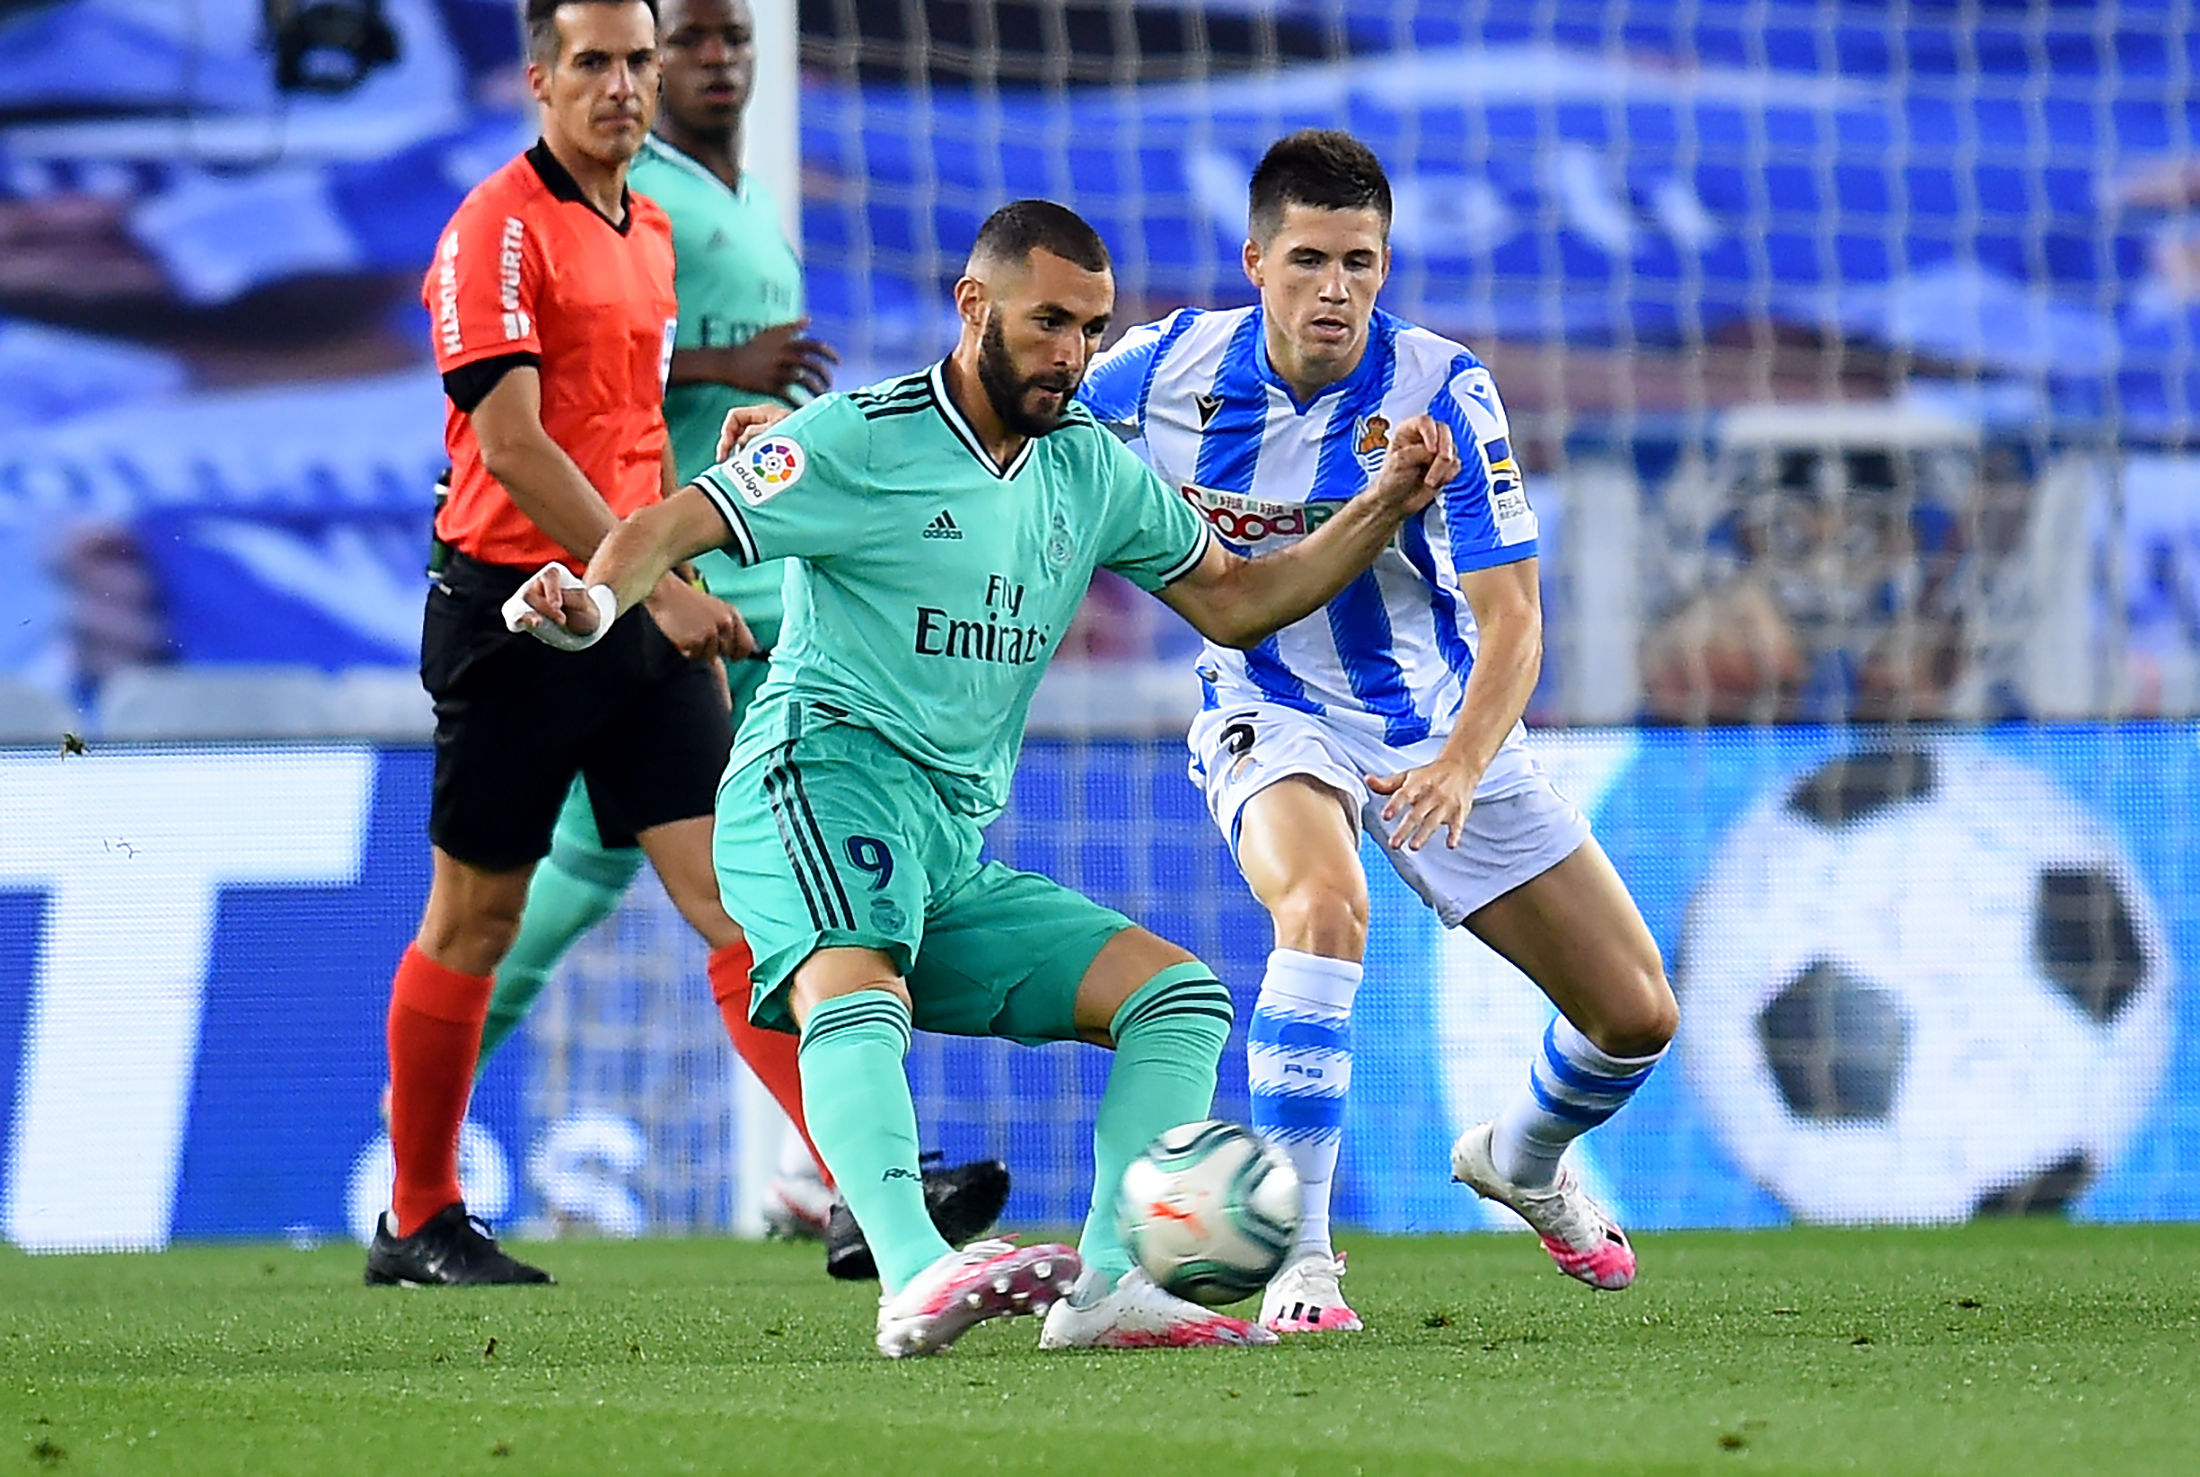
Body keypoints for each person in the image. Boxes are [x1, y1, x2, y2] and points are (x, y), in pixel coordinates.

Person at [513, 199, 1459, 1356]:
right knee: (858, 986)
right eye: (1049, 320)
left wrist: (1376, 508)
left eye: (1091, 328)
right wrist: (600, 600)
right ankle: (911, 1271)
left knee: (1180, 998)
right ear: (975, 307)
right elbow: (671, 522)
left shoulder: (1088, 474)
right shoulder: (856, 436)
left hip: (946, 844)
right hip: (817, 777)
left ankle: (1106, 1287)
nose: (1071, 353)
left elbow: (1239, 595)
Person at [1076, 130, 1679, 1333]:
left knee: (1635, 1015)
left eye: (1360, 261)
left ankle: (1517, 1156)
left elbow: (1512, 620)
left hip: (1435, 729)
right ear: (1255, 261)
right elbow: (1000, 431)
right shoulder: (1159, 371)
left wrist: (1460, 761)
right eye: (1307, 259)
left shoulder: (1442, 389)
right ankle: (1300, 1257)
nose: (1334, 287)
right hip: (1268, 706)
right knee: (1321, 905)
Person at [469, 0, 1006, 1274]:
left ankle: (809, 1166)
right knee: (746, 869)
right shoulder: (620, 198)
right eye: (688, 40)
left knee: (663, 869)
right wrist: (729, 359)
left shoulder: (730, 195)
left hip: (750, 574)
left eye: (724, 43)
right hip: (682, 575)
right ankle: (828, 1169)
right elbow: (593, 391)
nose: (712, 62)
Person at [368, 0, 758, 1287]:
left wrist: (678, 565)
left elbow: (629, 439)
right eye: (594, 62)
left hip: (634, 609)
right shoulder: (493, 228)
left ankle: (863, 1191)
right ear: (539, 78)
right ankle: (417, 1214)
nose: (625, 85)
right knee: (477, 916)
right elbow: (517, 444)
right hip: (512, 617)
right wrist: (653, 590)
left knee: (735, 903)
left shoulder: (645, 227)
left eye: (639, 61)